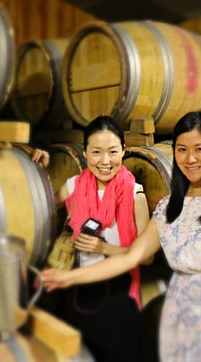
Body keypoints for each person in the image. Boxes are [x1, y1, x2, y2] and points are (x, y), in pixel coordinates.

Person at [40, 111, 201, 362]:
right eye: (182, 150)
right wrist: (68, 277)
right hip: (181, 325)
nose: (190, 158)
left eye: (200, 149)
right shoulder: (169, 208)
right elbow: (131, 257)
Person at [32, 115, 150, 362]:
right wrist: (38, 169)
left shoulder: (135, 193)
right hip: (78, 292)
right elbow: (39, 205)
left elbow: (146, 257)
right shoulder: (74, 185)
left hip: (119, 297)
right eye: (96, 152)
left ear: (123, 151)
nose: (105, 161)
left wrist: (103, 247)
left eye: (113, 152)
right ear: (85, 153)